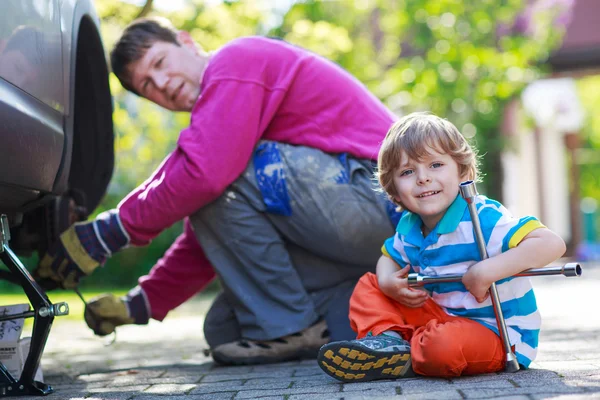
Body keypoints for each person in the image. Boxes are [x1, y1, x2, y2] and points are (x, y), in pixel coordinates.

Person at [33, 16, 402, 365]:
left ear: (187, 42)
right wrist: (140, 304)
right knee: (226, 326)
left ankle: (294, 328)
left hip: (386, 201)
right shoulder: (224, 134)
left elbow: (207, 177)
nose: (160, 83)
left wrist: (109, 232)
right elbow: (219, 237)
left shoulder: (236, 61)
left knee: (210, 179)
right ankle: (393, 318)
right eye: (147, 85)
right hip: (355, 237)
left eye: (160, 62)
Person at [317, 112, 566, 382]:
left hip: (497, 333)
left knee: (442, 346)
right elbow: (389, 257)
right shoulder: (410, 226)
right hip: (438, 318)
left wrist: (488, 270)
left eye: (435, 165)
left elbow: (551, 244)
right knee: (371, 285)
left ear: (462, 171)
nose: (423, 178)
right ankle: (389, 343)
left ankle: (407, 354)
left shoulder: (483, 217)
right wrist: (389, 281)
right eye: (408, 172)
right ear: (394, 190)